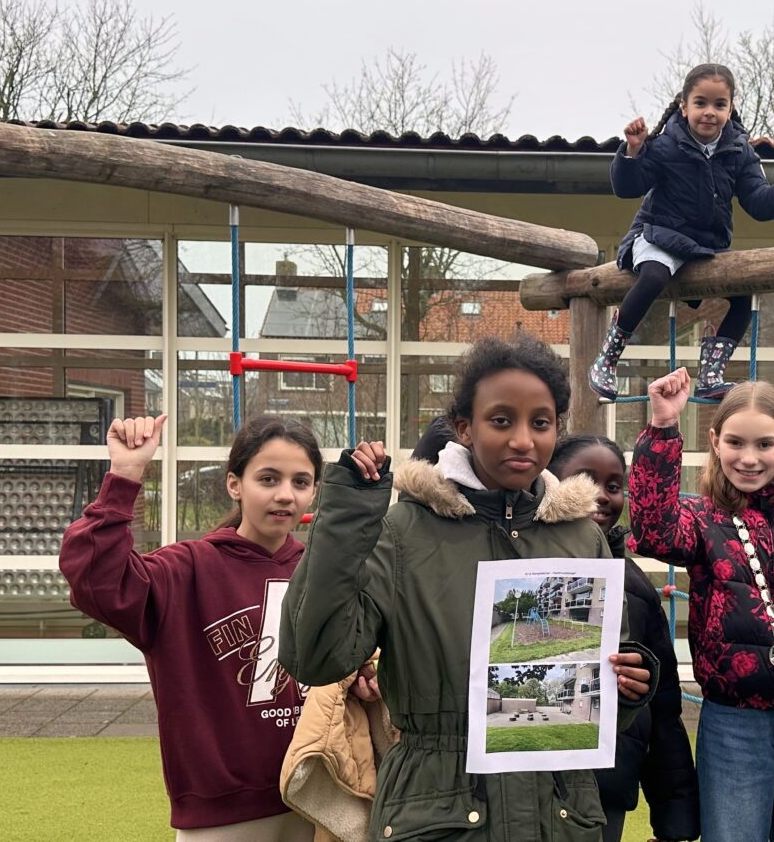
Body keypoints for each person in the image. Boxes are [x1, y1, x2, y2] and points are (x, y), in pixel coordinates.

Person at [279, 332, 659, 841]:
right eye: (501, 420)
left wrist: (628, 685)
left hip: (560, 812)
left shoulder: (583, 537)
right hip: (438, 810)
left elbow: (599, 689)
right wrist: (345, 515)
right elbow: (315, 657)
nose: (523, 439)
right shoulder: (404, 532)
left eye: (540, 423)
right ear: (464, 428)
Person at [61, 414, 323, 841]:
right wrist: (125, 475)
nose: (285, 495)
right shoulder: (185, 570)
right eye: (268, 478)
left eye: (300, 482)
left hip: (317, 800)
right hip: (221, 816)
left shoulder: (322, 573)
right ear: (234, 484)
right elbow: (96, 579)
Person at [630, 369, 774, 842]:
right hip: (735, 722)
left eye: (765, 445)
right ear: (714, 441)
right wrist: (664, 428)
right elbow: (654, 531)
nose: (749, 459)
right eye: (735, 443)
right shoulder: (702, 517)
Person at [588, 63, 774, 402]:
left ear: (730, 109)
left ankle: (711, 372)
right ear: (684, 106)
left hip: (707, 247)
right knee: (655, 277)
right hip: (660, 234)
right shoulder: (665, 145)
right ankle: (608, 358)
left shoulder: (739, 152)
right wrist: (632, 151)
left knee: (744, 296)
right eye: (701, 103)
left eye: (719, 105)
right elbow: (628, 187)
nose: (710, 113)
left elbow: (756, 200)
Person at [548, 434, 700, 842]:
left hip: (607, 786)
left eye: (613, 486)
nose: (600, 496)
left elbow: (665, 708)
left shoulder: (635, 588)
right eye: (583, 479)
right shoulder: (518, 568)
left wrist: (676, 820)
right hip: (521, 779)